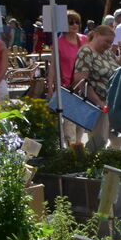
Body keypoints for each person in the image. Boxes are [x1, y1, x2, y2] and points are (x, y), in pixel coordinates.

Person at [71, 24, 121, 151]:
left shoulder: (107, 53)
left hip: (112, 104)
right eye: (107, 41)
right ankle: (92, 162)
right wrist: (99, 103)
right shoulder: (86, 52)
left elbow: (119, 67)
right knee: (98, 143)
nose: (109, 45)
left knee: (118, 142)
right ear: (97, 35)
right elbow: (81, 80)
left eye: (111, 43)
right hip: (97, 105)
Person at [47, 10, 89, 145]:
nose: (74, 25)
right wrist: (50, 86)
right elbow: (53, 66)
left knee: (81, 123)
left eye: (77, 22)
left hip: (84, 87)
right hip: (67, 88)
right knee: (70, 124)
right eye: (71, 22)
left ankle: (78, 149)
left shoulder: (85, 40)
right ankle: (72, 151)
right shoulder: (59, 43)